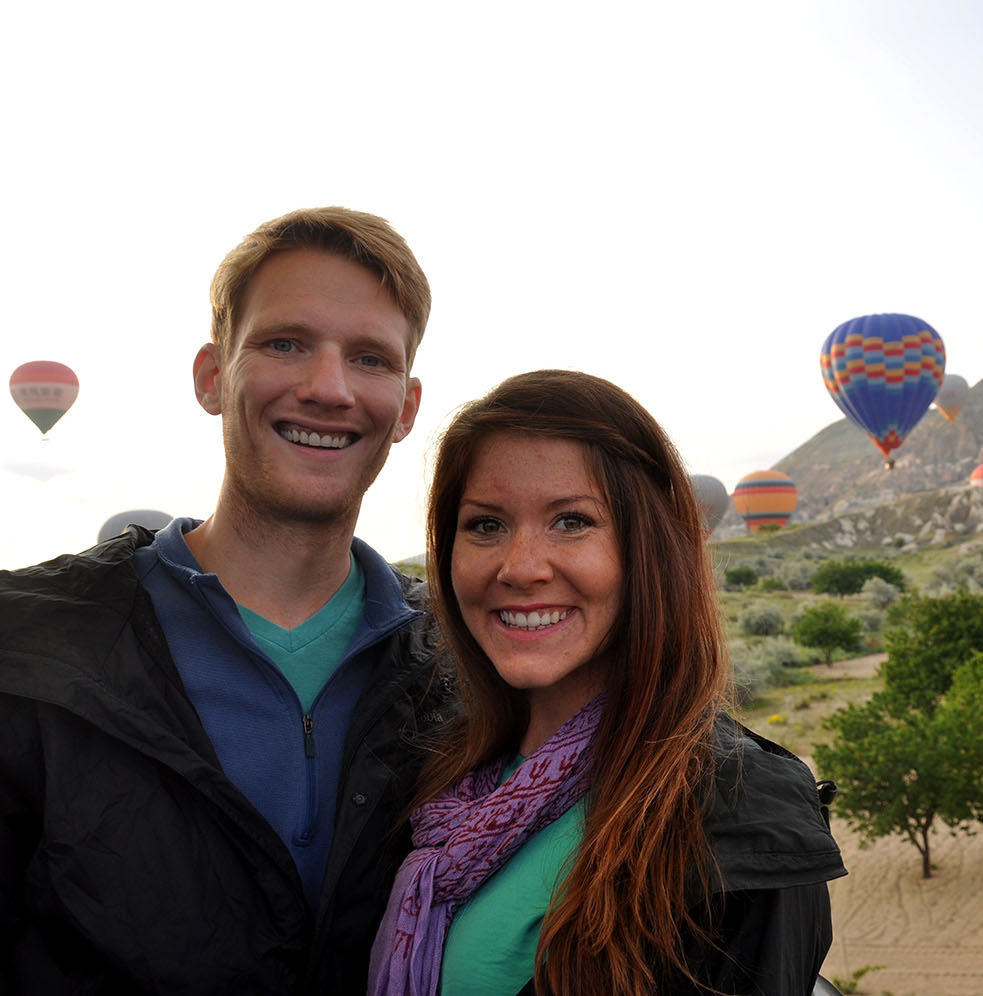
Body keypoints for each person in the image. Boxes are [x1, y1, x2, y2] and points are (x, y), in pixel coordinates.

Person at [0, 207, 455, 994]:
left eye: (370, 358)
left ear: (407, 407)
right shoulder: (28, 647)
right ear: (214, 377)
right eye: (286, 344)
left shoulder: (468, 665)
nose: (329, 388)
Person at [368, 369, 846, 996]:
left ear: (649, 548)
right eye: (485, 524)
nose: (521, 568)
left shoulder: (735, 810)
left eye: (571, 521)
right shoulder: (441, 776)